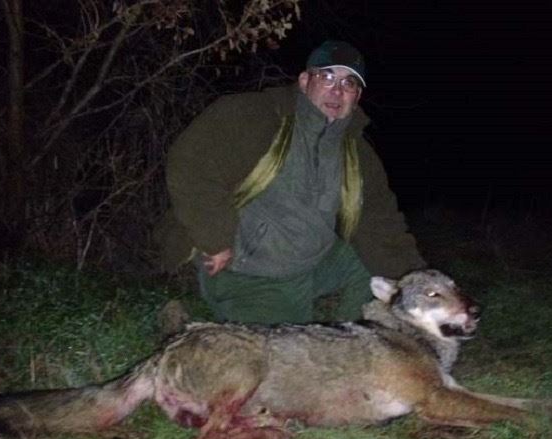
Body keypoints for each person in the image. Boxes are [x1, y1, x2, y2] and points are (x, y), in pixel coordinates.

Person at [154, 40, 425, 324]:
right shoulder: (255, 115)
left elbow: (381, 221)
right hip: (251, 275)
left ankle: (356, 338)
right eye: (327, 77)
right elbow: (191, 162)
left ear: (356, 96)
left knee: (379, 269)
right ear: (305, 81)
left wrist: (422, 281)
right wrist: (214, 236)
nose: (337, 91)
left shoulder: (357, 153)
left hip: (314, 264)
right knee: (281, 350)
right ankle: (185, 317)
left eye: (349, 83)